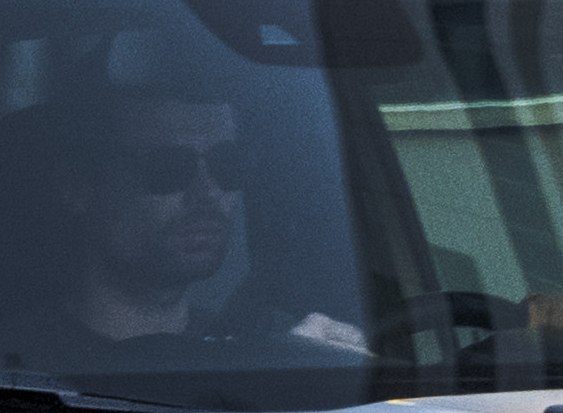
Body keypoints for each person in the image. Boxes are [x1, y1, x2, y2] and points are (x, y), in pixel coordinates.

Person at [24, 55, 360, 368]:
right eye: (168, 168)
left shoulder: (262, 346)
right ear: (78, 188)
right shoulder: (7, 371)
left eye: (227, 164)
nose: (208, 192)